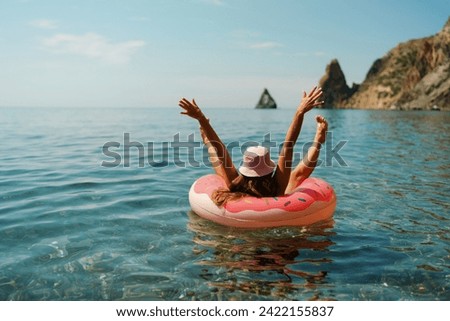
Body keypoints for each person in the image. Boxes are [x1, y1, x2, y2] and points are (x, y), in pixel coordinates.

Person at [178, 86, 327, 206]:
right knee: (296, 175)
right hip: (277, 233)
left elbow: (220, 152)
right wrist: (300, 112)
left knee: (221, 168)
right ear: (269, 168)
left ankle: (206, 142)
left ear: (245, 169)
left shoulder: (235, 184)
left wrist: (201, 119)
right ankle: (318, 141)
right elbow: (288, 146)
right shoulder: (277, 186)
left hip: (240, 234)